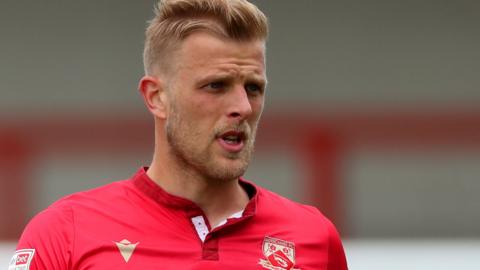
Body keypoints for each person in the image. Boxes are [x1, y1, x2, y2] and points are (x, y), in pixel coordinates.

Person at [10, 0, 348, 269]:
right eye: (216, 86)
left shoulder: (314, 238)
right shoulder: (65, 233)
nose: (243, 106)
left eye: (254, 88)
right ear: (157, 98)